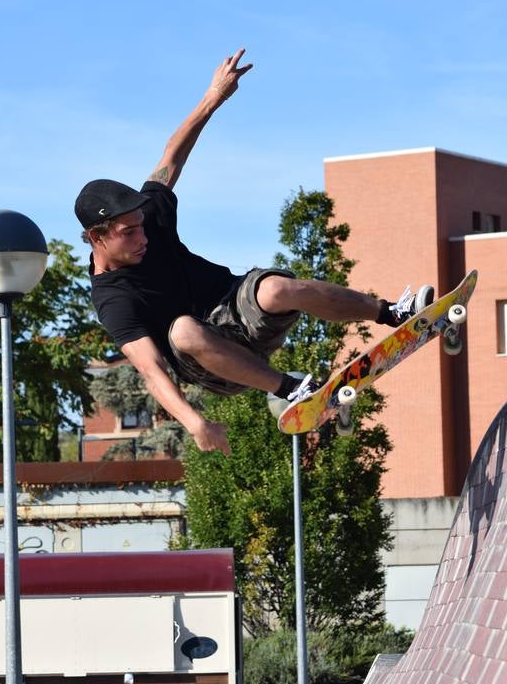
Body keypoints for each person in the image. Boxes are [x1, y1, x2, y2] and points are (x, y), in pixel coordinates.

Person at [75, 49, 433, 457]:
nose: (143, 237)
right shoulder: (112, 298)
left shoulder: (147, 217)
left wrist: (214, 95)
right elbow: (151, 370)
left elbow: (171, 158)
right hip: (211, 364)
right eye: (128, 233)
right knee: (182, 330)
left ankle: (392, 312)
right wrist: (196, 424)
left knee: (277, 288)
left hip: (235, 309)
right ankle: (292, 389)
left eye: (141, 225)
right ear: (96, 237)